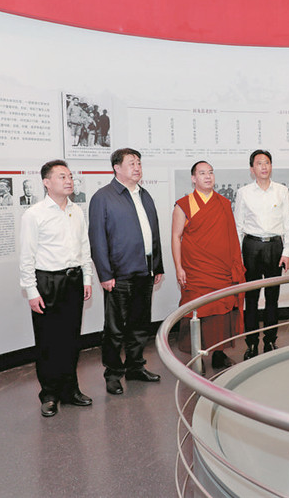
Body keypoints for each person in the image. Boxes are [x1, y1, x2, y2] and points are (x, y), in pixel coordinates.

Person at [18, 160, 93, 417]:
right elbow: (26, 257)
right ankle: (49, 394)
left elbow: (84, 247)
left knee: (71, 339)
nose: (69, 180)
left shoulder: (76, 210)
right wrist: (31, 291)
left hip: (74, 280)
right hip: (47, 282)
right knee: (48, 341)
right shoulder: (34, 214)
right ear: (46, 182)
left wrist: (87, 278)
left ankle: (70, 390)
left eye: (70, 176)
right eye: (62, 176)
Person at [89, 148, 164, 395]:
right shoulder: (103, 197)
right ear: (116, 168)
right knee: (115, 329)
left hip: (145, 271)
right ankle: (113, 374)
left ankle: (135, 367)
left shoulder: (144, 195)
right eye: (131, 163)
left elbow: (153, 233)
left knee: (140, 325)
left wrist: (157, 266)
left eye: (139, 163)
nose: (137, 167)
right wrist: (105, 274)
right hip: (119, 275)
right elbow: (97, 239)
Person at [171, 161, 245, 370]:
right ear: (193, 178)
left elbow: (231, 237)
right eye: (202, 173)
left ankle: (219, 354)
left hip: (221, 270)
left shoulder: (223, 203)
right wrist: (178, 267)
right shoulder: (183, 205)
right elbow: (176, 237)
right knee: (198, 311)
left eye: (210, 173)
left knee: (221, 312)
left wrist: (234, 265)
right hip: (196, 270)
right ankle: (197, 357)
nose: (208, 176)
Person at [233, 150, 289, 359]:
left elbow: (288, 224)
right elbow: (238, 226)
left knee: (272, 298)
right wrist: (238, 257)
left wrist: (287, 252)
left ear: (271, 166)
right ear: (252, 169)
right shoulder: (244, 193)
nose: (264, 167)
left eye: (267, 162)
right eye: (259, 163)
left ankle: (270, 341)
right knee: (251, 299)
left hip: (275, 247)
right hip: (251, 247)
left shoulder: (282, 191)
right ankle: (251, 344)